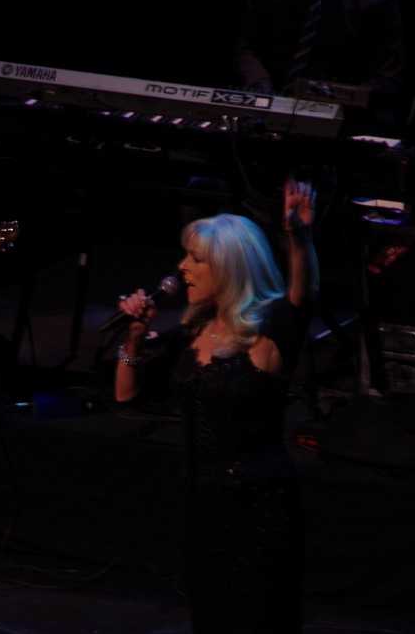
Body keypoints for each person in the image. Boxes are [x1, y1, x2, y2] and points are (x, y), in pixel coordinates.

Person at [114, 176, 319, 632]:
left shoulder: (269, 334)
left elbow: (302, 296)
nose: (182, 267)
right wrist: (134, 337)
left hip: (260, 509)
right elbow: (126, 394)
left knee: (259, 620)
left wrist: (299, 238)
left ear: (229, 268)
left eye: (196, 258)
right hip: (204, 508)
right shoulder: (192, 334)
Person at [233, 0, 405, 133]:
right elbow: (248, 47)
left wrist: (329, 94)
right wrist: (261, 89)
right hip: (267, 115)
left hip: (344, 124)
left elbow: (387, 79)